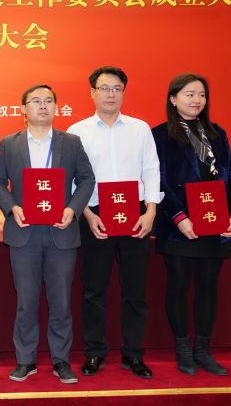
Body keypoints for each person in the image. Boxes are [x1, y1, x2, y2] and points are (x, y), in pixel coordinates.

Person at [0, 84, 95, 384]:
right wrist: (12, 208)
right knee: (26, 302)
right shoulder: (9, 144)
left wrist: (73, 209)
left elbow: (87, 179)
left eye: (48, 101)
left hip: (60, 233)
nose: (42, 106)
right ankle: (25, 360)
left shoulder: (71, 142)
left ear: (56, 107)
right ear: (23, 109)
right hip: (24, 233)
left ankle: (61, 360)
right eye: (36, 101)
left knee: (61, 302)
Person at [67, 66, 160, 379]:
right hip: (95, 215)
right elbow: (73, 179)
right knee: (94, 289)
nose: (110, 94)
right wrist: (87, 214)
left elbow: (151, 170)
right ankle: (94, 352)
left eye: (117, 88)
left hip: (136, 215)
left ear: (123, 92)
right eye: (104, 88)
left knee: (135, 290)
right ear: (92, 92)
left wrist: (150, 211)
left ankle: (134, 353)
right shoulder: (77, 131)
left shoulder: (140, 129)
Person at [152, 73, 231, 376]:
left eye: (201, 95)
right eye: (189, 94)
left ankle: (203, 350)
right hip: (179, 225)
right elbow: (158, 180)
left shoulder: (217, 133)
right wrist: (180, 217)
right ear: (173, 98)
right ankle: (183, 349)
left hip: (215, 224)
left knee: (208, 286)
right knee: (178, 285)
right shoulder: (160, 135)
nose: (196, 100)